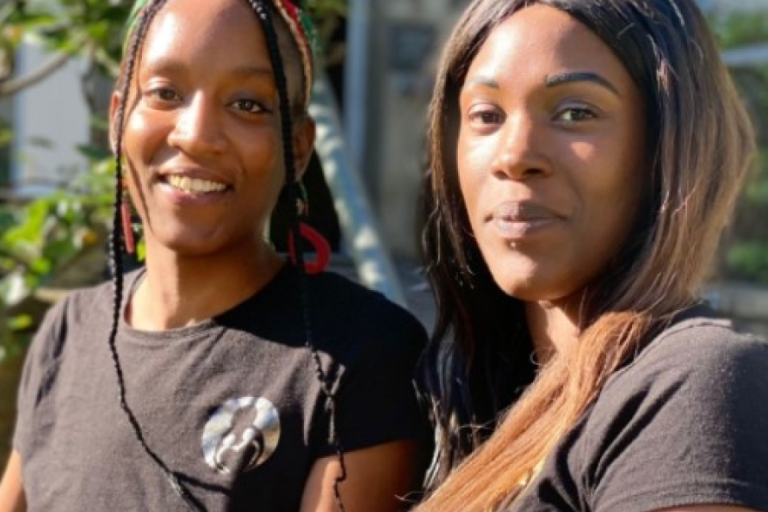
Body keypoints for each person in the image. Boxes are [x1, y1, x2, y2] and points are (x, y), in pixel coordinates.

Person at [0, 0, 430, 510]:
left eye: (247, 104)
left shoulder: (359, 355)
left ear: (297, 146)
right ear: (118, 119)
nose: (196, 135)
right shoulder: (65, 335)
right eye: (165, 93)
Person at [414, 0, 768, 511]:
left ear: (668, 147)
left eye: (576, 113)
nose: (515, 155)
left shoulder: (695, 382)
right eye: (486, 115)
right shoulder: (471, 397)